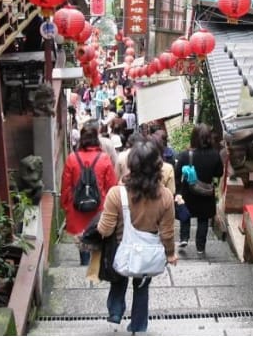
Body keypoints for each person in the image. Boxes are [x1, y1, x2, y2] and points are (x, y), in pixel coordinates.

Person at [97, 140, 177, 333]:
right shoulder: (165, 196)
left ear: (131, 165)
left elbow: (105, 229)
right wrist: (171, 254)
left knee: (119, 276)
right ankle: (139, 325)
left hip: (120, 246)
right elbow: (167, 233)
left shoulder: (117, 194)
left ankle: (115, 311)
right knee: (142, 285)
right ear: (158, 166)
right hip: (149, 250)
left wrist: (98, 229)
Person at [60, 121, 117, 265]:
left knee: (82, 237)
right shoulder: (104, 158)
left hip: (77, 207)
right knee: (98, 236)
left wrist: (66, 207)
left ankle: (84, 264)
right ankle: (96, 266)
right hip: (99, 207)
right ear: (96, 139)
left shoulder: (72, 158)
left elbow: (66, 187)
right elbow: (111, 186)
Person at [174, 123, 223, 253]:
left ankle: (184, 237)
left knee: (186, 214)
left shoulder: (185, 155)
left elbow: (177, 174)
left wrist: (178, 192)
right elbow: (219, 173)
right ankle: (200, 247)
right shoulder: (215, 154)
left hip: (189, 191)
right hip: (206, 192)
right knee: (203, 219)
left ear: (193, 137)